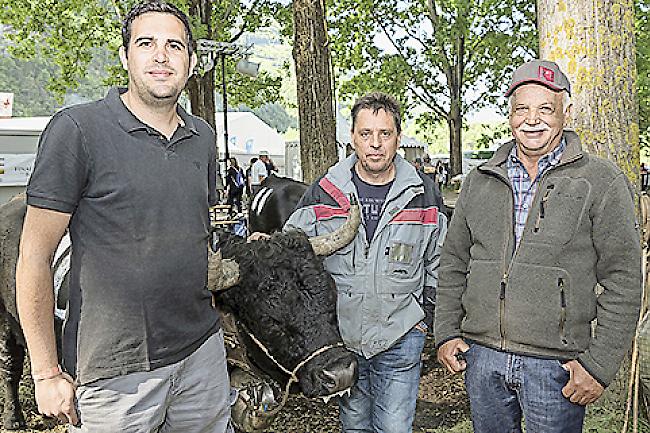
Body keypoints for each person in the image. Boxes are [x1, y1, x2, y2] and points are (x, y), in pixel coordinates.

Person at [15, 2, 233, 432]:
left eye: (175, 46)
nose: (161, 56)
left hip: (202, 355)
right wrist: (45, 373)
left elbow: (197, 238)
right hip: (115, 371)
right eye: (146, 43)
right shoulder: (77, 130)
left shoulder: (202, 137)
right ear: (124, 56)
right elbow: (34, 257)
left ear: (191, 61)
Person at [435, 59, 641, 433]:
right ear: (510, 115)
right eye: (522, 109)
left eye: (545, 108)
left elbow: (625, 280)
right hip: (482, 359)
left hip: (557, 366)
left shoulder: (601, 181)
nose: (533, 119)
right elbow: (453, 262)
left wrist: (599, 365)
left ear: (567, 111)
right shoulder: (479, 182)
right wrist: (447, 332)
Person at [285, 92, 447, 433]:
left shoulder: (423, 194)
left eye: (384, 134)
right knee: (355, 424)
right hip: (343, 338)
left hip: (401, 334)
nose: (375, 144)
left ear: (398, 138)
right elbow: (291, 254)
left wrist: (424, 320)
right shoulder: (325, 192)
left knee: (393, 428)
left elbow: (439, 262)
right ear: (353, 139)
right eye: (366, 134)